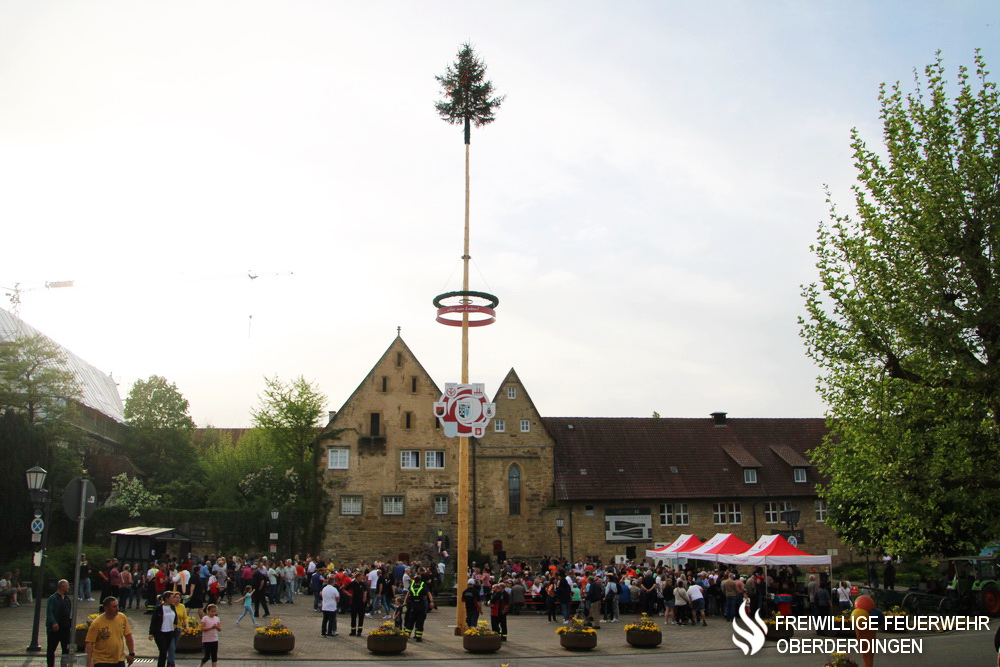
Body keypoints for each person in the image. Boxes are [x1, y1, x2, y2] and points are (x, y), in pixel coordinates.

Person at [85, 597, 136, 667]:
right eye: (114, 607)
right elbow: (89, 644)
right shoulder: (96, 623)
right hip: (102, 660)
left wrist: (131, 654)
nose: (117, 608)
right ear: (106, 608)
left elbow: (128, 636)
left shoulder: (122, 618)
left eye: (117, 606)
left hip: (119, 659)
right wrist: (88, 663)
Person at [46, 579, 72, 667]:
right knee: (51, 649)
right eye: (67, 585)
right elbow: (50, 611)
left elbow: (68, 612)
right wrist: (53, 623)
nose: (69, 587)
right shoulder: (53, 598)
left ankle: (64, 665)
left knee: (66, 649)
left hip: (65, 628)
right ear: (62, 586)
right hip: (55, 629)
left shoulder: (67, 599)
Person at [148, 592, 177, 667]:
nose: (174, 599)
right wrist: (151, 633)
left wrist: (175, 624)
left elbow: (175, 617)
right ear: (167, 599)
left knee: (165, 651)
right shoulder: (159, 608)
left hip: (169, 631)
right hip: (160, 632)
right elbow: (153, 621)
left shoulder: (172, 607)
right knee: (163, 651)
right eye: (172, 597)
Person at [403, 573, 434, 642]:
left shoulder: (412, 586)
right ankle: (418, 637)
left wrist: (405, 602)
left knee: (411, 621)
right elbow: (429, 593)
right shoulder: (423, 585)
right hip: (421, 605)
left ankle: (407, 635)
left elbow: (408, 593)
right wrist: (431, 602)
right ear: (420, 580)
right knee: (420, 621)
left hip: (413, 605)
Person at [347, 571, 367, 636]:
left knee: (361, 617)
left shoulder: (362, 584)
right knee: (353, 617)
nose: (362, 578)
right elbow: (344, 589)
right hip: (354, 602)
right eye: (361, 577)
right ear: (357, 577)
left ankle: (359, 632)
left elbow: (365, 590)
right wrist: (349, 594)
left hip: (361, 603)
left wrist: (364, 597)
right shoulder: (352, 583)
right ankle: (353, 631)